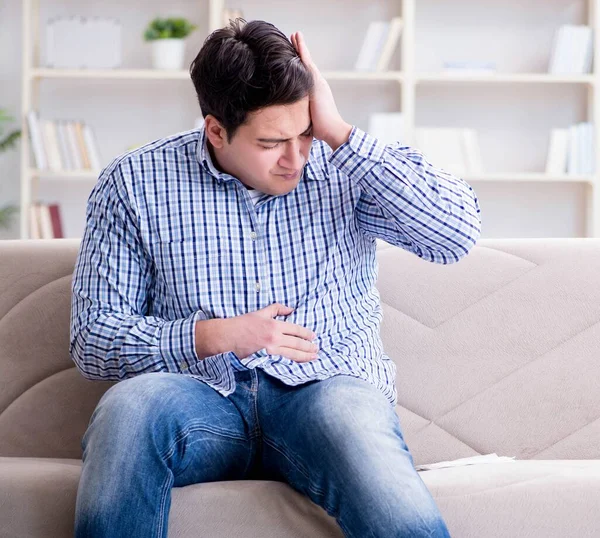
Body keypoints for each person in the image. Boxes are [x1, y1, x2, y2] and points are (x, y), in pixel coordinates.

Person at [70, 18, 481, 538]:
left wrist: (338, 133)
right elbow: (92, 338)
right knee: (128, 410)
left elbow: (457, 236)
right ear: (216, 130)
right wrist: (214, 335)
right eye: (271, 143)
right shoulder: (134, 183)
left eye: (304, 133)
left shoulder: (339, 163)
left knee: (353, 425)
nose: (296, 159)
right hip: (200, 401)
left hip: (327, 394)